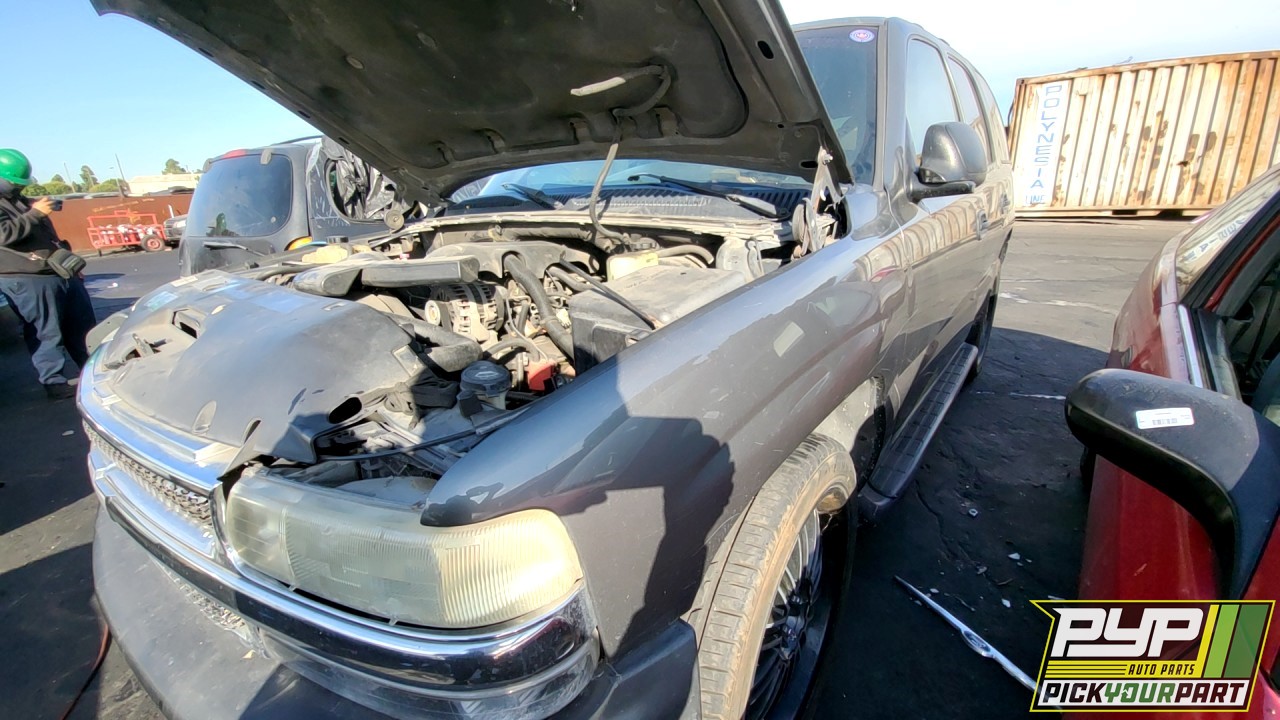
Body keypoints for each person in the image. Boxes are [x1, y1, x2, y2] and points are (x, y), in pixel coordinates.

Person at [0, 148, 96, 400]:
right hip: (26, 278)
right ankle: (54, 381)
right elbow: (4, 234)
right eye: (13, 182)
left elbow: (44, 236)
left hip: (58, 272)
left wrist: (71, 263)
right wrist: (35, 214)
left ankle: (93, 370)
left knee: (81, 325)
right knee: (46, 331)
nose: (17, 187)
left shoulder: (17, 201)